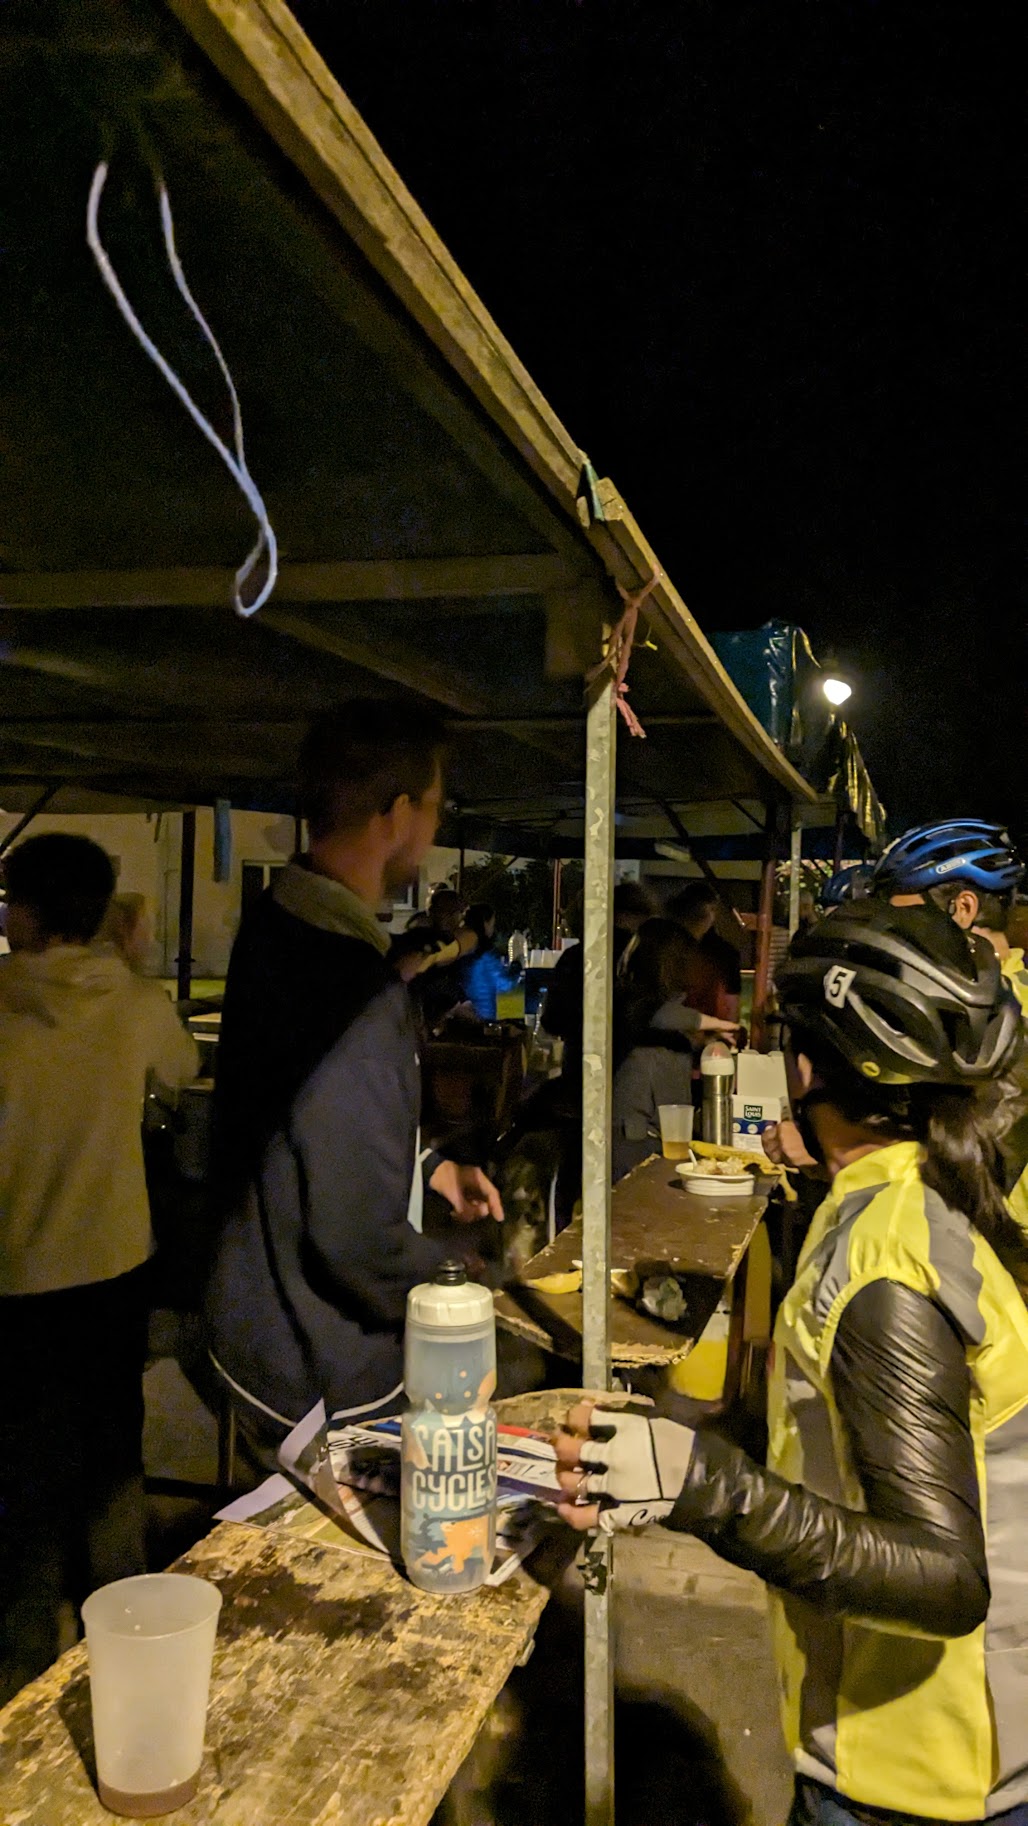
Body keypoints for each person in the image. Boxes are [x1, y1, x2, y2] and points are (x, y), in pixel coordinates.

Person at [556, 902, 1028, 1824]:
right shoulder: (935, 1193)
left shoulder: (886, 1267)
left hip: (913, 1779)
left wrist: (698, 1481)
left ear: (810, 1070)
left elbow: (942, 1576)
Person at [205, 702, 503, 1459]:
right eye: (434, 809)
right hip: (318, 1367)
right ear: (398, 814)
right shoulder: (350, 986)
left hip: (256, 1328)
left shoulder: (275, 923)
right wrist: (461, 1277)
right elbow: (355, 1239)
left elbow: (299, 1119)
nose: (432, 832)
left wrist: (426, 1167)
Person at [0, 834, 199, 1700]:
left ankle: (20, 1661)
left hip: (12, 1274)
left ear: (28, 910)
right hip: (112, 1266)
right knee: (111, 1446)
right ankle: (122, 1638)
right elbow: (183, 1070)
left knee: (18, 1464)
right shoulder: (137, 1002)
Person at [611, 918, 740, 1180]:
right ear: (672, 962)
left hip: (660, 1134)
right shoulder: (634, 1003)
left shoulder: (667, 1008)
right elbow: (656, 1016)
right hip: (634, 1135)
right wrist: (715, 1023)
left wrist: (703, 1041)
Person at [666, 880, 742, 1021]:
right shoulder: (725, 952)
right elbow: (730, 1004)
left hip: (677, 1024)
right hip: (708, 1025)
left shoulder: (666, 946)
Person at [458, 902, 522, 1020]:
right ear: (485, 923)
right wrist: (517, 965)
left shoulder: (461, 949)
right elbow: (506, 984)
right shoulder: (486, 954)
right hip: (483, 1015)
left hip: (463, 1014)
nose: (492, 929)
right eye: (492, 924)